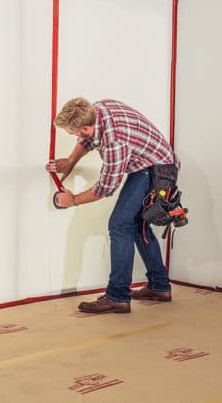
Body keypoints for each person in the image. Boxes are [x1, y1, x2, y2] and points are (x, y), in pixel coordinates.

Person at [46, 97, 180, 313]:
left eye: (74, 133)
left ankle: (117, 297)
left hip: (156, 170)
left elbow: (106, 188)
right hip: (154, 163)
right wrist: (71, 161)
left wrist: (73, 200)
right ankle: (159, 287)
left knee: (119, 225)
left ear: (87, 127)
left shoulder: (115, 142)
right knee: (137, 227)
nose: (74, 137)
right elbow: (88, 139)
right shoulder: (98, 108)